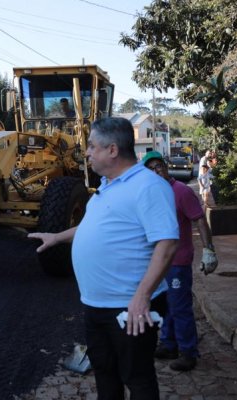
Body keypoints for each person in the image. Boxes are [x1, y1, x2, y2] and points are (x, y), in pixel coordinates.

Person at [29, 117, 178, 399]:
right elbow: (94, 227)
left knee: (138, 377)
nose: (87, 153)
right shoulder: (108, 186)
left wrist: (142, 297)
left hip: (130, 306)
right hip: (97, 305)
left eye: (92, 147)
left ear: (112, 150)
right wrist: (56, 237)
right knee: (105, 373)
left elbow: (168, 244)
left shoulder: (148, 186)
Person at [142, 151, 217, 372]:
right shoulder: (151, 194)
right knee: (166, 305)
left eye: (158, 166)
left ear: (165, 167)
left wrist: (209, 250)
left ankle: (188, 352)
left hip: (178, 261)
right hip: (159, 261)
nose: (156, 171)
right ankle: (169, 344)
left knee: (180, 307)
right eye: (150, 169)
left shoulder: (181, 191)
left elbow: (200, 220)